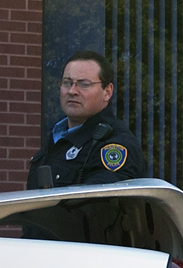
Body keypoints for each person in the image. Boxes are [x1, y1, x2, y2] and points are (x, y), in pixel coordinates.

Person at [27, 50, 146, 189]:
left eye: (84, 84)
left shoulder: (114, 144)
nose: (72, 91)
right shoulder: (57, 139)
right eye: (67, 83)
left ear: (107, 92)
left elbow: (100, 207)